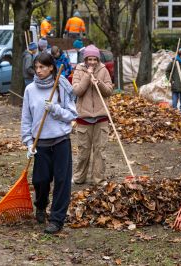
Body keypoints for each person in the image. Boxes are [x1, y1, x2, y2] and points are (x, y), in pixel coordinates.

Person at [21, 52, 78, 234]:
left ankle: (56, 219)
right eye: (36, 67)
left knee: (62, 181)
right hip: (41, 144)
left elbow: (72, 115)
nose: (38, 71)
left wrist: (55, 110)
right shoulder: (30, 90)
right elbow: (26, 119)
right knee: (40, 180)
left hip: (61, 141)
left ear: (51, 67)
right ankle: (40, 205)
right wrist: (29, 142)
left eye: (42, 67)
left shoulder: (61, 86)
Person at [72, 45, 113, 185]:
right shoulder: (78, 70)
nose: (92, 62)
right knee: (83, 151)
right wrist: (87, 76)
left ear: (98, 59)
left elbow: (108, 91)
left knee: (100, 151)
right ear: (85, 59)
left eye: (95, 59)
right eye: (89, 59)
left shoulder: (103, 70)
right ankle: (79, 177)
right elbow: (77, 91)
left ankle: (98, 179)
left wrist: (99, 83)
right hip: (84, 118)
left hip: (101, 117)